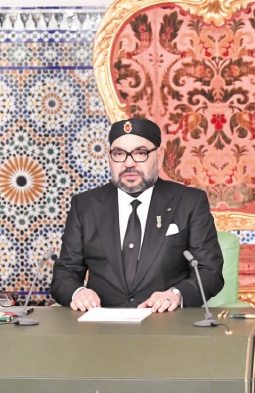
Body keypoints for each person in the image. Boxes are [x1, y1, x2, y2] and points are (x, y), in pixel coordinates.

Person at [51, 117, 224, 311]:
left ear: (159, 157)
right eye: (119, 154)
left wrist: (177, 294)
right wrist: (78, 293)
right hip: (101, 328)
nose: (128, 163)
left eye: (140, 153)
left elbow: (210, 271)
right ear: (109, 157)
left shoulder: (190, 202)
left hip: (166, 325)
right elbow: (65, 271)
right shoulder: (85, 205)